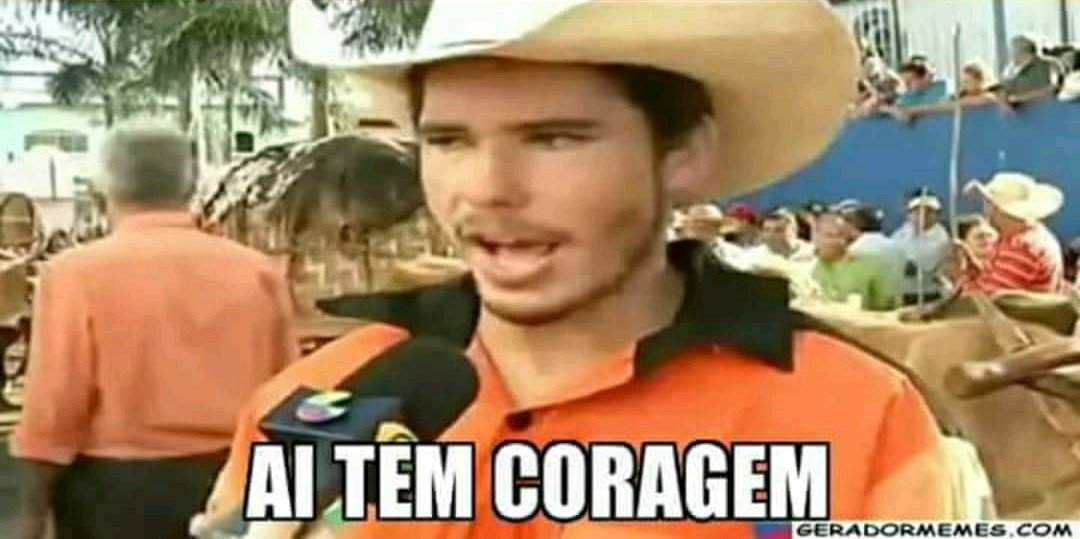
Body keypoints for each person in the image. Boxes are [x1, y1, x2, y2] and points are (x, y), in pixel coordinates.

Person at [193, 1, 953, 536]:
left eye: (554, 138)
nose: (487, 188)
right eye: (449, 141)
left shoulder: (856, 416)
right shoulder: (322, 398)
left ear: (684, 155)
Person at [11, 125, 300, 539]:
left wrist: (31, 510)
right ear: (192, 184)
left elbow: (54, 406)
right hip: (238, 482)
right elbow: (288, 393)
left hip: (116, 494)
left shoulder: (74, 275)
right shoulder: (256, 271)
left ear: (103, 187)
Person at [956, 172, 1066, 295]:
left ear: (996, 208)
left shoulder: (1021, 247)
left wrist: (963, 277)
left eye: (988, 203)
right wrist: (975, 271)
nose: (986, 210)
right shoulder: (1034, 236)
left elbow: (987, 298)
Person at [812, 211, 900, 311]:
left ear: (845, 239)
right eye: (818, 234)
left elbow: (887, 308)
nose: (819, 241)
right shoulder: (809, 266)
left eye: (831, 235)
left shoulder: (870, 265)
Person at [891, 191, 951, 306]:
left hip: (928, 295)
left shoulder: (941, 239)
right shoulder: (901, 233)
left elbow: (920, 268)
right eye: (917, 211)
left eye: (929, 211)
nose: (923, 215)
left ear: (937, 215)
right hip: (901, 293)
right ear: (908, 214)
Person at [843, 202, 905, 305]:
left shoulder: (854, 251)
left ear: (853, 224)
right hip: (895, 308)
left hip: (864, 311)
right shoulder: (897, 248)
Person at [1000, 35, 1065, 104]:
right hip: (1016, 109)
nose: (1010, 54)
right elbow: (1003, 90)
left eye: (1012, 51)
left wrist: (1018, 98)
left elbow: (1052, 90)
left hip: (1044, 107)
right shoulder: (1009, 69)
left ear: (1024, 51)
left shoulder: (1049, 64)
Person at [750, 207, 815, 263]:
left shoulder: (812, 252)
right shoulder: (754, 256)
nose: (771, 235)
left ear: (794, 230)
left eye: (779, 230)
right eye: (767, 230)